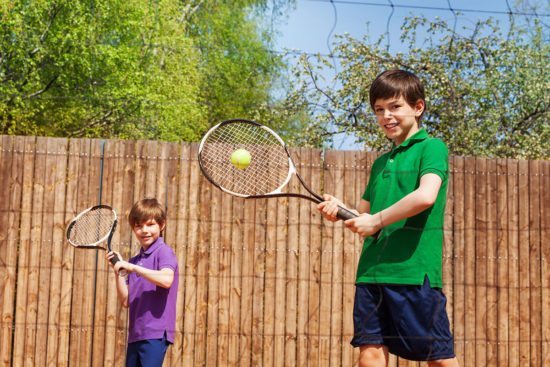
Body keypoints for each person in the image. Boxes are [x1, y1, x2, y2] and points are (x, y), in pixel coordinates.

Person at [318, 70, 459, 367]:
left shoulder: (432, 148)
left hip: (412, 273)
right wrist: (340, 208)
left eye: (395, 107)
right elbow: (364, 216)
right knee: (369, 351)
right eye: (379, 110)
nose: (386, 116)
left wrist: (376, 220)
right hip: (371, 273)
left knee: (438, 358)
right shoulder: (381, 161)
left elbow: (426, 195)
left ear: (417, 107)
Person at [106, 198, 179, 367]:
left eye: (150, 224)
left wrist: (132, 267)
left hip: (155, 333)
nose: (144, 230)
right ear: (134, 228)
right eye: (139, 226)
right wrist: (118, 272)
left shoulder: (164, 252)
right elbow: (126, 301)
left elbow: (167, 279)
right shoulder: (136, 260)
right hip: (136, 335)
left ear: (162, 225)